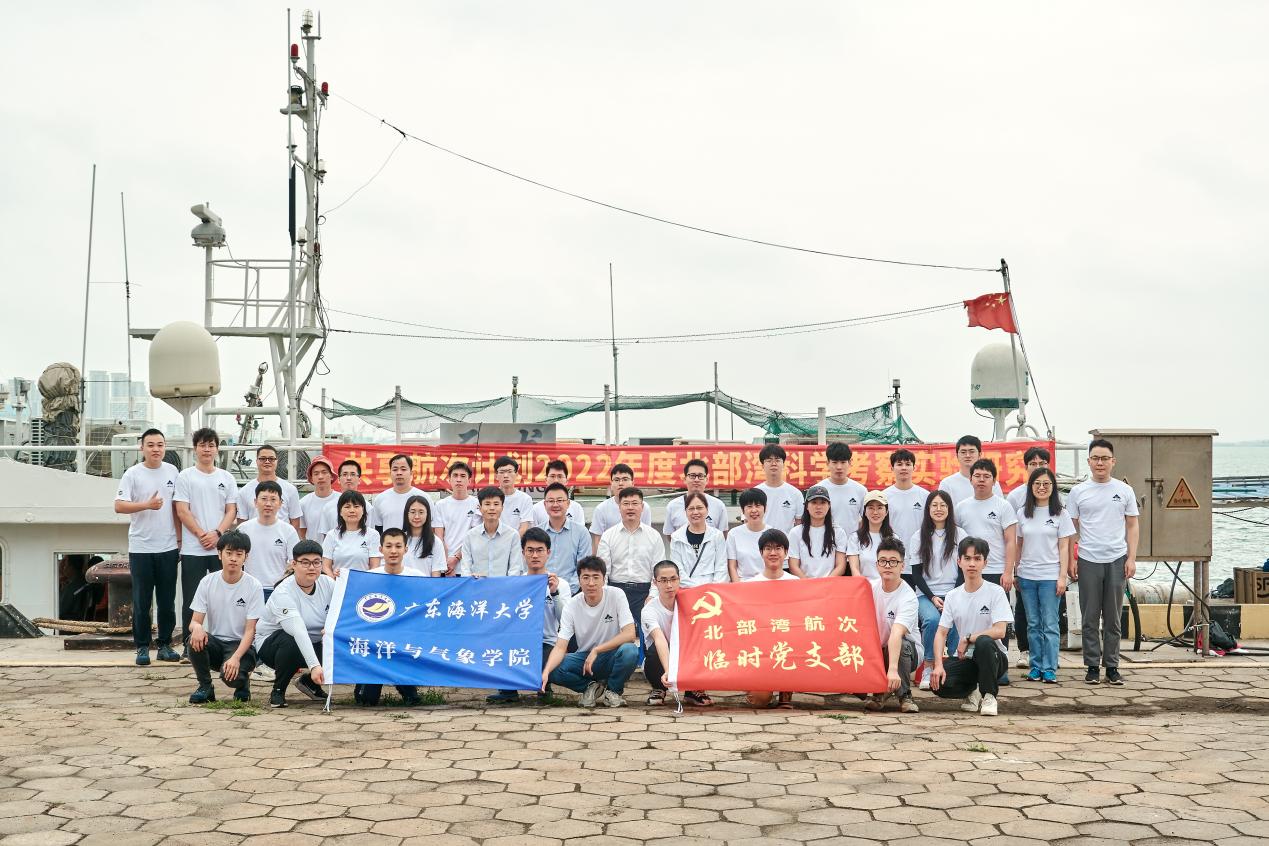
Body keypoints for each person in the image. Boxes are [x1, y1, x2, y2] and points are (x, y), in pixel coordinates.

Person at [1068, 438, 1139, 686]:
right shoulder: (1078, 492)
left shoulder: (1124, 490)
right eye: (1096, 458)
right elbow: (1071, 529)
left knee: (1113, 617)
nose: (1100, 463)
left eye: (1105, 458)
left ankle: (1112, 666)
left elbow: (1132, 525)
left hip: (1117, 559)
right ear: (1089, 461)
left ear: (1113, 461)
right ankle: (1091, 666)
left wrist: (1131, 558)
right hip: (1088, 559)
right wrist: (1072, 559)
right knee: (1089, 617)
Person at [114, 428, 182, 666]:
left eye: (160, 445)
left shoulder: (173, 471)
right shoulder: (132, 474)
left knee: (167, 601)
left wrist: (180, 540)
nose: (156, 449)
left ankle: (164, 645)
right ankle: (142, 647)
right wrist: (147, 505)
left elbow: (176, 508)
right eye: (151, 445)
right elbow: (119, 506)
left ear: (165, 447)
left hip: (168, 546)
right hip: (141, 547)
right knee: (142, 601)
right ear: (141, 447)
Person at [173, 427, 237, 661]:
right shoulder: (186, 476)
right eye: (202, 445)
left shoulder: (226, 478)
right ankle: (189, 646)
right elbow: (182, 510)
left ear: (217, 449)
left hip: (221, 549)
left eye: (211, 445)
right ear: (195, 449)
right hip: (193, 549)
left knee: (225, 597)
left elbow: (231, 510)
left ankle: (226, 643)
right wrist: (202, 534)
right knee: (192, 599)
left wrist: (218, 534)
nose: (207, 449)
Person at [929, 537, 1012, 716]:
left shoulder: (996, 591)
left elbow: (1000, 631)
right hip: (967, 658)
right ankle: (973, 691)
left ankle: (989, 696)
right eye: (967, 558)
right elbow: (941, 633)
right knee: (938, 684)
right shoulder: (952, 596)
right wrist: (938, 665)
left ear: (985, 563)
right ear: (959, 562)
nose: (972, 563)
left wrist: (968, 638)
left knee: (983, 642)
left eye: (977, 558)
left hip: (994, 657)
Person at [542, 557, 639, 707]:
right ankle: (590, 687)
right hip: (584, 660)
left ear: (604, 579)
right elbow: (560, 647)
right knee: (552, 668)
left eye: (596, 577)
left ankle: (613, 691)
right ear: (579, 580)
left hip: (611, 655)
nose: (591, 583)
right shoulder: (572, 605)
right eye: (586, 577)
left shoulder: (616, 594)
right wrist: (546, 672)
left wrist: (597, 650)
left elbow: (630, 634)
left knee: (630, 651)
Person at [954, 458, 1019, 673]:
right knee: (969, 616)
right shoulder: (961, 508)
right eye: (977, 476)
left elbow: (1011, 541)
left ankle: (1000, 667)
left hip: (996, 571)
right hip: (969, 571)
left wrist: (1008, 571)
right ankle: (968, 664)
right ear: (970, 479)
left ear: (994, 481)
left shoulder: (1003, 506)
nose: (981, 480)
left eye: (986, 476)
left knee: (998, 620)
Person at [487, 528, 565, 704]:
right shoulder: (515, 584)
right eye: (530, 550)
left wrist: (555, 593)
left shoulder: (560, 584)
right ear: (523, 553)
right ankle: (507, 690)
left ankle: (545, 689)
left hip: (547, 642)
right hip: (520, 640)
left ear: (548, 552)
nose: (535, 555)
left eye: (539, 550)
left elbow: (564, 620)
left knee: (547, 659)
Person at [186, 530, 264, 704]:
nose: (233, 558)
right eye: (229, 553)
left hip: (241, 646)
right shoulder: (207, 582)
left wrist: (236, 658)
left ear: (246, 557)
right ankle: (205, 687)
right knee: (193, 639)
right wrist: (197, 628)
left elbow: (251, 630)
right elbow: (195, 621)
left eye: (239, 554)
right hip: (216, 644)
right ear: (219, 554)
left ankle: (243, 683)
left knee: (231, 679)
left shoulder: (254, 586)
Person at [254, 540, 332, 708]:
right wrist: (314, 666)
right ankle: (278, 690)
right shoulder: (283, 592)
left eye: (316, 562)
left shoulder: (328, 584)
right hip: (273, 645)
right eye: (305, 562)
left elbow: (344, 611)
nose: (312, 567)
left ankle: (308, 682)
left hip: (313, 641)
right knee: (291, 641)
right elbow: (298, 631)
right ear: (294, 564)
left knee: (339, 640)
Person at [1014, 467, 1075, 684]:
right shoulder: (1022, 513)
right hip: (1027, 576)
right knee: (1033, 624)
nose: (1042, 487)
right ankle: (1035, 667)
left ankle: (1049, 668)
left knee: (1050, 624)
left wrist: (1062, 577)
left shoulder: (1060, 514)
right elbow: (1018, 545)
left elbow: (1064, 548)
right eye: (1037, 484)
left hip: (1050, 577)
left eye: (1046, 484)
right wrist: (1016, 572)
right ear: (1031, 487)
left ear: (1053, 487)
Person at [355, 529, 423, 707]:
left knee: (413, 700)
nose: (393, 551)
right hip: (375, 642)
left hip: (404, 641)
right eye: (389, 546)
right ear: (381, 549)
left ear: (405, 549)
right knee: (366, 701)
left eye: (398, 546)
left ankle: (406, 686)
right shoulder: (368, 578)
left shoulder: (418, 577)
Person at [907, 490, 967, 689]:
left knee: (956, 620)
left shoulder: (960, 535)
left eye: (943, 505)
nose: (938, 509)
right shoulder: (918, 536)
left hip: (954, 592)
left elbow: (963, 570)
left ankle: (954, 666)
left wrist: (952, 596)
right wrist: (932, 597)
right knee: (932, 620)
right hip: (926, 594)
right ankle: (928, 666)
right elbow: (916, 575)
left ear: (949, 509)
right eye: (934, 505)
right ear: (928, 509)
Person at [597, 487, 664, 657]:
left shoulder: (654, 536)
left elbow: (658, 570)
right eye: (626, 504)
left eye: (635, 503)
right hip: (616, 589)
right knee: (611, 632)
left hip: (644, 591)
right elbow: (603, 571)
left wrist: (652, 595)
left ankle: (647, 662)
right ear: (619, 507)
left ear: (642, 507)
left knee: (651, 632)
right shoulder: (608, 535)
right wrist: (605, 594)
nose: (630, 508)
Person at [1004, 445, 1050, 671]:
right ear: (1025, 467)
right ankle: (1025, 650)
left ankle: (1048, 655)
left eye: (1042, 463)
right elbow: (1013, 535)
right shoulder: (1015, 496)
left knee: (1048, 613)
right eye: (1033, 464)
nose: (1037, 467)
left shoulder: (1054, 494)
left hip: (1049, 565)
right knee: (1023, 609)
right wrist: (1014, 568)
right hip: (1025, 565)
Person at [643, 560, 712, 707]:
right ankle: (659, 688)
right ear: (655, 582)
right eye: (663, 580)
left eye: (673, 579)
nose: (669, 585)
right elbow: (659, 639)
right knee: (654, 650)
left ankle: (693, 689)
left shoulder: (692, 602)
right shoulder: (649, 610)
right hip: (663, 652)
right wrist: (669, 671)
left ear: (679, 579)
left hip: (687, 649)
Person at [745, 529, 798, 710]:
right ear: (761, 553)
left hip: (788, 646)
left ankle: (786, 691)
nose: (773, 553)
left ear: (786, 552)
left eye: (778, 548)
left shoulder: (796, 583)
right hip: (760, 650)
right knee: (759, 700)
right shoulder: (749, 586)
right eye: (768, 548)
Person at [866, 538, 920, 713]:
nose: (888, 565)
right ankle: (880, 692)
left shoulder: (908, 597)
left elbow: (896, 633)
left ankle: (905, 695)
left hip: (906, 652)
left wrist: (893, 670)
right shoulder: (869, 589)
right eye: (883, 561)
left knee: (901, 644)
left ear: (902, 566)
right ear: (877, 565)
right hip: (878, 651)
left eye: (893, 561)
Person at [237, 481, 301, 594]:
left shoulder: (289, 531)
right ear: (255, 502)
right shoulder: (243, 529)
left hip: (278, 590)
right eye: (264, 499)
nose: (268, 504)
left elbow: (295, 563)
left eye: (273, 499)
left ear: (280, 503)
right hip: (249, 589)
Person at [459, 487, 526, 577]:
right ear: (480, 508)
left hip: (504, 585)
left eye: (496, 504)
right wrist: (471, 580)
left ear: (502, 508)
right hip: (477, 584)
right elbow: (465, 568)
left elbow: (515, 568)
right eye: (487, 504)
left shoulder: (512, 535)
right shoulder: (470, 536)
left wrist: (508, 584)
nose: (492, 508)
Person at [668, 492, 728, 588]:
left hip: (713, 590)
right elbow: (678, 570)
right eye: (691, 509)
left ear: (707, 510)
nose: (695, 512)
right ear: (686, 512)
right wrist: (696, 589)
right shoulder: (676, 537)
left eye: (699, 508)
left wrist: (712, 589)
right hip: (687, 589)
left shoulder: (717, 536)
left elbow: (721, 567)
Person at [539, 482, 591, 594]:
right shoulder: (537, 533)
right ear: (545, 504)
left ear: (568, 503)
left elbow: (583, 567)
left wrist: (565, 591)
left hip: (572, 593)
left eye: (559, 500)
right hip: (541, 591)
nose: (555, 505)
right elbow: (529, 565)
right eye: (551, 501)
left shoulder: (581, 532)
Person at [372, 454, 440, 538]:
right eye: (395, 469)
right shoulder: (380, 499)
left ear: (411, 473)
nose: (399, 473)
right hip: (390, 545)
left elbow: (432, 526)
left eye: (403, 469)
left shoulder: (424, 497)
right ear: (390, 473)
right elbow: (378, 529)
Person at [787, 486, 847, 579]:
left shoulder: (838, 532)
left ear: (829, 505)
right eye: (814, 502)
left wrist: (824, 583)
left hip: (830, 583)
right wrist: (809, 584)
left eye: (823, 503)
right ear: (806, 506)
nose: (818, 507)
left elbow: (841, 566)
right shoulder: (795, 532)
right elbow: (793, 566)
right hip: (804, 584)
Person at [589, 464, 652, 552]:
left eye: (625, 479)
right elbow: (598, 542)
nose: (621, 483)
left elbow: (646, 536)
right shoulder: (601, 509)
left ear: (633, 483)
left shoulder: (643, 507)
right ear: (611, 483)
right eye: (616, 480)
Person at [237, 444, 302, 529]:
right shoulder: (244, 492)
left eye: (271, 459)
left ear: (277, 461)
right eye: (263, 458)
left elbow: (295, 521)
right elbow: (242, 523)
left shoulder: (290, 490)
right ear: (256, 461)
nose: (267, 461)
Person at [882, 448, 929, 565]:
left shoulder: (925, 496)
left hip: (918, 558)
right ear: (892, 468)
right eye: (899, 464)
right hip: (891, 559)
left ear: (914, 467)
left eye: (908, 464)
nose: (904, 468)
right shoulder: (884, 496)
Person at [434, 461, 481, 576]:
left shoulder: (476, 504)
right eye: (455, 476)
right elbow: (439, 537)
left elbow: (474, 536)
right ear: (449, 480)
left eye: (463, 476)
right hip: (445, 564)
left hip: (468, 565)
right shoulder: (440, 505)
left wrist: (456, 558)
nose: (458, 479)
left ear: (469, 481)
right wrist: (446, 563)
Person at [321, 490, 382, 578]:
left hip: (364, 583)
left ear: (363, 510)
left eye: (356, 506)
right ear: (340, 511)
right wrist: (333, 578)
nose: (352, 510)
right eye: (347, 507)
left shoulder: (373, 535)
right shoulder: (331, 535)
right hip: (337, 584)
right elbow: (326, 566)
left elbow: (375, 567)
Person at [662, 459, 729, 537]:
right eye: (692, 476)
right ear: (685, 479)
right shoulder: (673, 506)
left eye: (700, 476)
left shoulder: (718, 505)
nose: (696, 480)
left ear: (706, 480)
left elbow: (723, 535)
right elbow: (670, 535)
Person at [816, 442, 867, 533]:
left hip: (852, 541)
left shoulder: (860, 490)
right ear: (827, 463)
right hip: (825, 540)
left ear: (850, 463)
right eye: (834, 462)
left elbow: (867, 518)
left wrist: (856, 536)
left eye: (843, 462)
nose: (839, 467)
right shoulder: (818, 490)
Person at [938, 435, 1002, 505]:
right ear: (957, 455)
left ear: (980, 454)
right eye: (963, 452)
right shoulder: (947, 484)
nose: (967, 455)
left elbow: (1000, 507)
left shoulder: (992, 483)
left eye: (972, 451)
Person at [846, 491, 895, 581]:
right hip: (864, 586)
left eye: (880, 508)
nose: (875, 512)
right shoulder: (855, 538)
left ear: (886, 512)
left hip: (888, 586)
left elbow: (896, 570)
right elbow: (855, 570)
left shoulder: (894, 539)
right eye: (871, 508)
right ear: (865, 512)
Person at [753, 444, 803, 533]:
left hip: (786, 541)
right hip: (760, 540)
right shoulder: (755, 493)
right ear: (762, 465)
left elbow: (799, 524)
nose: (773, 464)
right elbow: (748, 522)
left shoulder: (795, 493)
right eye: (769, 460)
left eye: (777, 460)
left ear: (783, 464)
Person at [726, 488, 771, 582]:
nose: (754, 510)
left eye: (758, 505)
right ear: (743, 510)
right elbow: (732, 566)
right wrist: (738, 586)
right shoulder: (733, 534)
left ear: (765, 508)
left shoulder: (772, 533)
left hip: (767, 583)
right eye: (749, 506)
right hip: (743, 583)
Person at [529, 460, 586, 527]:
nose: (556, 480)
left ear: (566, 481)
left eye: (560, 476)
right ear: (546, 480)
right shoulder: (536, 509)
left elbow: (580, 531)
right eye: (552, 476)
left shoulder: (576, 508)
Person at [403, 495, 448, 576]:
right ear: (407, 514)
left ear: (427, 514)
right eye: (413, 512)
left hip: (426, 584)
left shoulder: (435, 542)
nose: (417, 516)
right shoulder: (399, 540)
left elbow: (436, 575)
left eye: (421, 512)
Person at [298, 455, 337, 542]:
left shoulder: (342, 501)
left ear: (331, 476)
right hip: (313, 549)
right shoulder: (303, 503)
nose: (320, 477)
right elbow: (302, 533)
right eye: (316, 473)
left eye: (324, 472)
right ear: (311, 479)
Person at [493, 456, 534, 536]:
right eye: (502, 472)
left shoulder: (525, 499)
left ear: (516, 474)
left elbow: (524, 527)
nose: (506, 475)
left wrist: (511, 541)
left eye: (509, 471)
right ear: (496, 476)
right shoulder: (490, 497)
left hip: (517, 541)